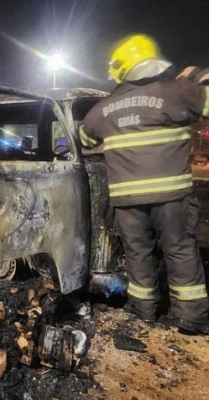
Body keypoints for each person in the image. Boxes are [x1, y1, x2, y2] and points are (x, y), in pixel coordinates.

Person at [79, 34, 209, 334]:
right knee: (179, 250)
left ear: (122, 68)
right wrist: (199, 75)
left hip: (127, 201)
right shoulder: (178, 91)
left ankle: (143, 311)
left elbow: (86, 140)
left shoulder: (104, 107)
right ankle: (191, 319)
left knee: (138, 253)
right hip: (172, 196)